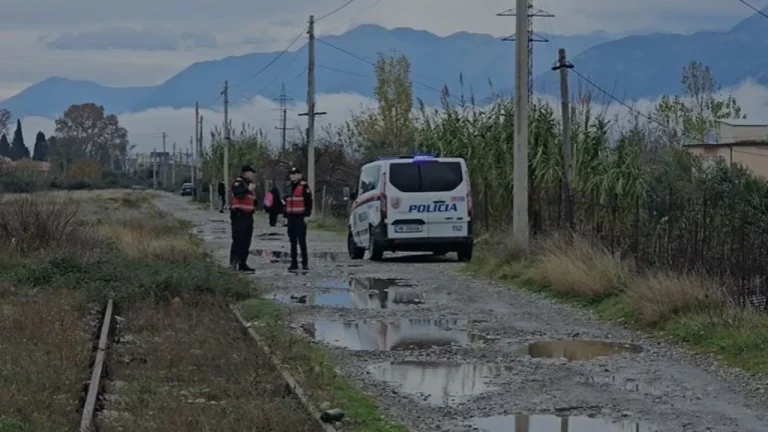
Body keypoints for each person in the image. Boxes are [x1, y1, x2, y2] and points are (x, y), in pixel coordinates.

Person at [284, 167, 313, 271]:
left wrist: (307, 215)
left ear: (299, 175)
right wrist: (285, 217)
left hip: (300, 217)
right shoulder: (288, 187)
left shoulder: (304, 186)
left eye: (295, 174)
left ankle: (305, 263)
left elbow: (309, 202)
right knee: (292, 241)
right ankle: (294, 263)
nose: (293, 176)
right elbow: (286, 202)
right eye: (291, 174)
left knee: (301, 240)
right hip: (291, 217)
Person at [229, 165, 257, 273]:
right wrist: (247, 189)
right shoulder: (238, 183)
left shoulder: (250, 184)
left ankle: (243, 264)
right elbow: (238, 194)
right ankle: (233, 264)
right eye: (251, 173)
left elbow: (253, 200)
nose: (252, 175)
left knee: (246, 241)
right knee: (238, 240)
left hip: (248, 216)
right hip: (239, 215)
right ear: (245, 173)